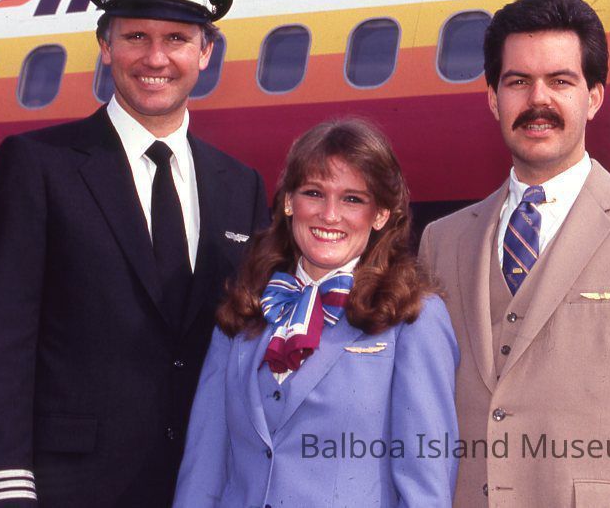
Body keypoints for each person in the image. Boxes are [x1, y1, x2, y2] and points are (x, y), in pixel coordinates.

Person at [0, 0, 270, 507]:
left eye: (177, 38)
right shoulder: (38, 166)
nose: (156, 58)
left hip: (201, 487)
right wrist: (2, 488)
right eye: (136, 36)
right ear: (105, 45)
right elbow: (1, 341)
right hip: (67, 491)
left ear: (206, 52)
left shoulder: (241, 187)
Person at [419, 0, 610, 506]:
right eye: (518, 82)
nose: (539, 100)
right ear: (493, 99)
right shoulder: (441, 242)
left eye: (560, 81)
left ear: (594, 97)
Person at [174, 118, 459, 507]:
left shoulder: (414, 319)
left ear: (380, 214)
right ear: (289, 202)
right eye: (313, 193)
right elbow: (203, 468)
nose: (330, 214)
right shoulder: (246, 307)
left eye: (352, 199)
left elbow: (426, 488)